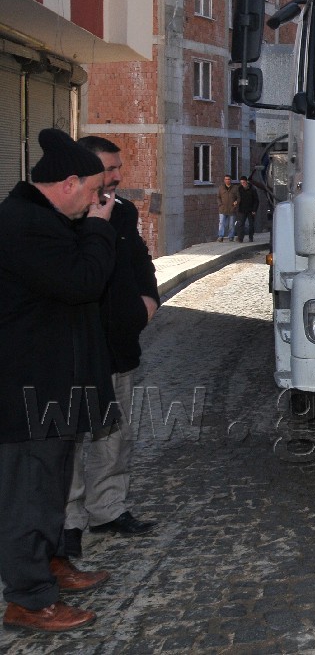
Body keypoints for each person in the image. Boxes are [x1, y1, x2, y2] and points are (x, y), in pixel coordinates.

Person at [0, 129, 117, 633]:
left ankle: (48, 568)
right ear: (69, 183)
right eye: (93, 190)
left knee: (48, 490)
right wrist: (97, 228)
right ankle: (28, 600)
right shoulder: (25, 225)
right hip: (30, 388)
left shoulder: (42, 220)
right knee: (29, 494)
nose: (99, 199)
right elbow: (83, 282)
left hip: (53, 386)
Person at [62, 137, 160, 560]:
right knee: (67, 437)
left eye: (119, 167)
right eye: (109, 168)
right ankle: (67, 524)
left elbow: (140, 262)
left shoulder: (122, 213)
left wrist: (148, 301)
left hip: (119, 347)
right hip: (74, 352)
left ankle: (108, 510)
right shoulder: (60, 218)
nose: (118, 176)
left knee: (114, 435)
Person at [234, 175, 259, 242]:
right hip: (242, 209)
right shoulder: (239, 189)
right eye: (241, 182)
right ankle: (240, 238)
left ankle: (251, 237)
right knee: (241, 224)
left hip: (251, 210)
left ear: (246, 181)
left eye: (244, 182)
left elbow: (256, 200)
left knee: (251, 224)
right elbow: (237, 197)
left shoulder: (252, 189)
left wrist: (254, 210)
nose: (243, 184)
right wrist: (236, 202)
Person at [216, 174, 238, 242]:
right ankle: (220, 236)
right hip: (223, 209)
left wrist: (236, 202)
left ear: (230, 180)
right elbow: (218, 197)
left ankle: (231, 236)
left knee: (231, 224)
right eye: (226, 179)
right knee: (221, 223)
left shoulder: (235, 188)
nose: (227, 181)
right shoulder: (221, 187)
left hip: (232, 209)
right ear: (224, 180)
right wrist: (220, 204)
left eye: (228, 179)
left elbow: (238, 197)